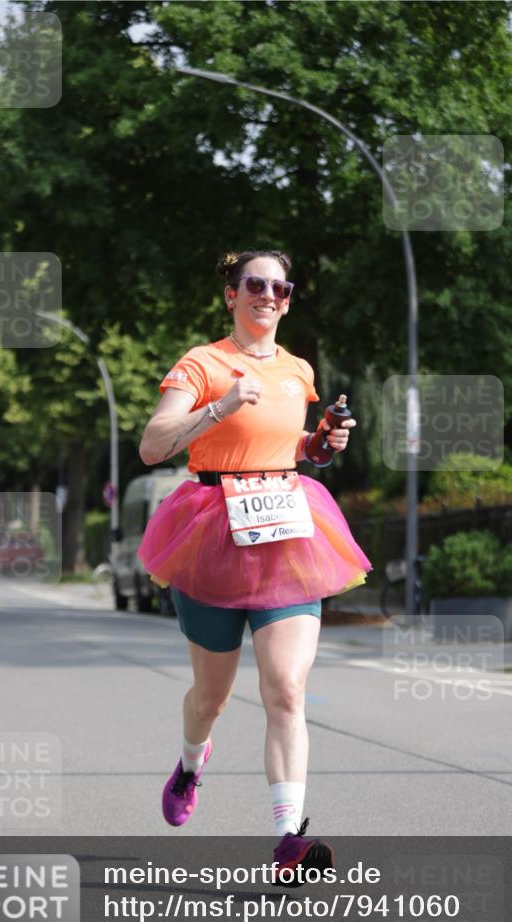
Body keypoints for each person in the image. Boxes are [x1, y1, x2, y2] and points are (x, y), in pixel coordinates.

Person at [138, 249, 372, 882]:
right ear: (232, 294)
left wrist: (319, 444)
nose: (269, 294)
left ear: (288, 299)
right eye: (256, 284)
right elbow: (153, 444)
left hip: (287, 531)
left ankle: (289, 837)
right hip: (212, 532)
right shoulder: (202, 363)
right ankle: (191, 763)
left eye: (280, 286)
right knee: (210, 699)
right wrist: (218, 406)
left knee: (286, 690)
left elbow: (285, 447)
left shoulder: (299, 369)